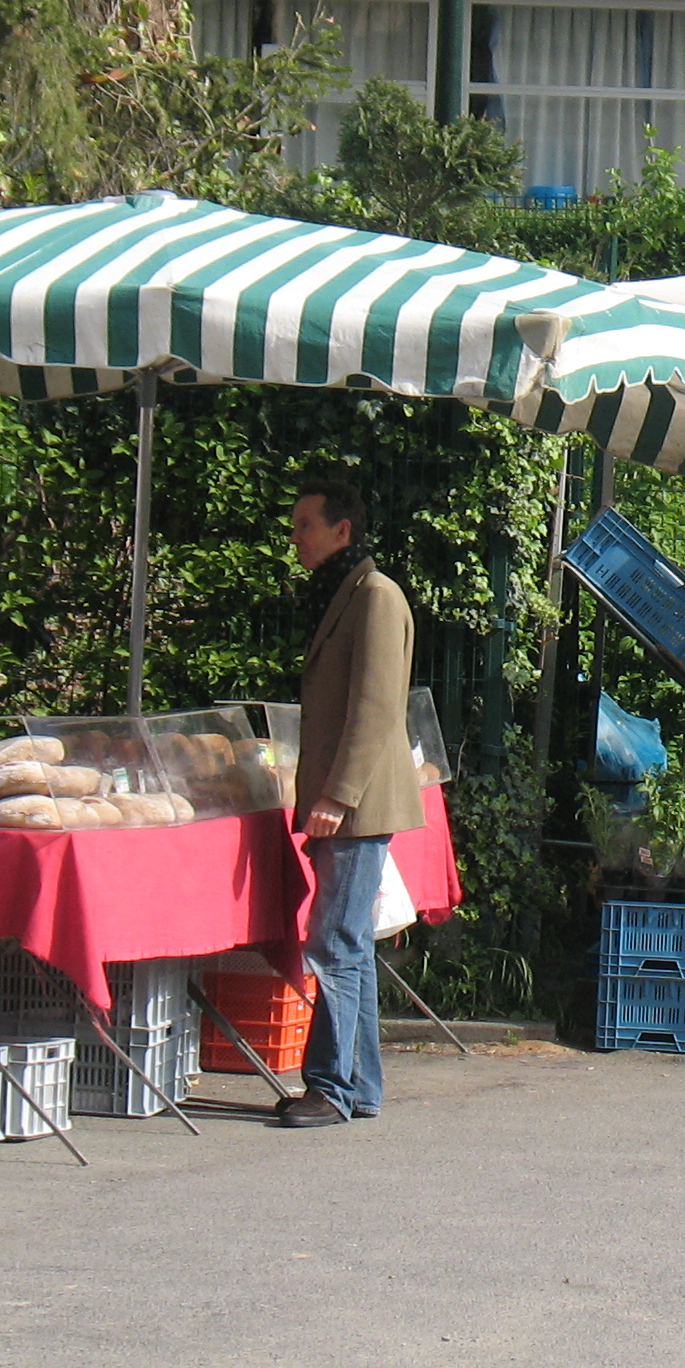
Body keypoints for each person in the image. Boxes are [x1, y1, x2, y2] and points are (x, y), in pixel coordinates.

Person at [281, 476, 424, 1126]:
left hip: (357, 802)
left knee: (334, 943)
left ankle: (332, 1087)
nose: (296, 538)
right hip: (351, 800)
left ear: (343, 529)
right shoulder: (348, 593)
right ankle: (358, 1087)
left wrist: (338, 793)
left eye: (305, 525)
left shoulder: (376, 596)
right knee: (349, 943)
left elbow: (375, 706)